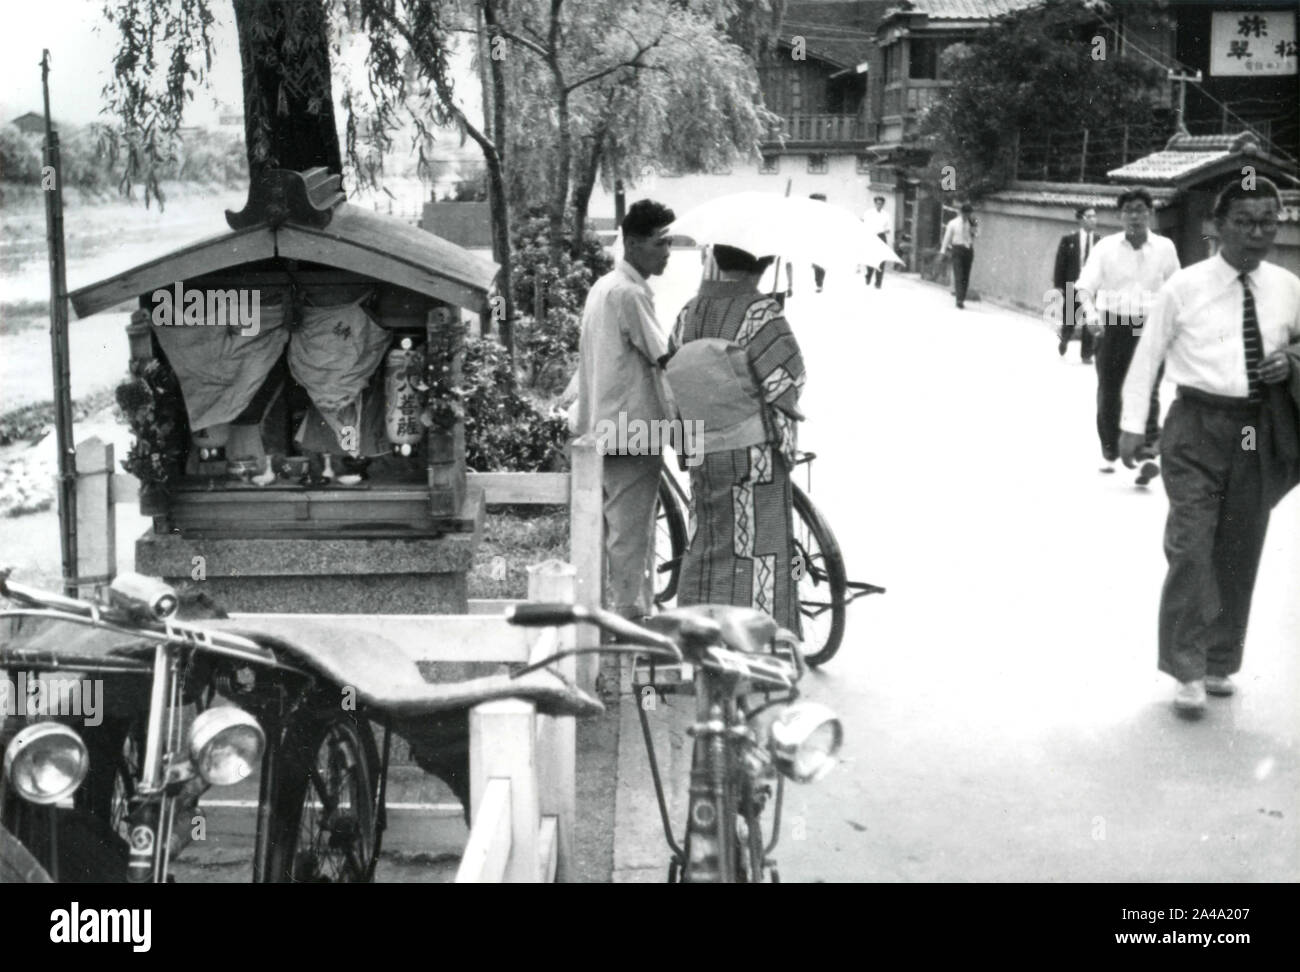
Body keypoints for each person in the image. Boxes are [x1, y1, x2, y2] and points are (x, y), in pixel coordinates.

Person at [1119, 176, 1300, 715]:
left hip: (1252, 428)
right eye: (1243, 222)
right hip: (1195, 424)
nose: (1257, 233)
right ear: (1216, 227)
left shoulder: (1288, 287)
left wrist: (1289, 361)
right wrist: (1133, 423)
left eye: (1268, 221)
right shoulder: (1185, 287)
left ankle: (1221, 659)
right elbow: (1148, 356)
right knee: (1192, 545)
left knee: (1239, 546)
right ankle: (1187, 668)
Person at [665, 245, 806, 633]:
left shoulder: (688, 312)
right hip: (752, 455)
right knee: (757, 548)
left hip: (703, 449)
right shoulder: (761, 313)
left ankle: (697, 639)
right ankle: (757, 647)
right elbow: (787, 380)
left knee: (707, 542)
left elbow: (673, 372)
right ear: (762, 264)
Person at [572, 199, 676, 619]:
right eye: (660, 243)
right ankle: (630, 615)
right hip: (633, 430)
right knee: (631, 531)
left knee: (608, 527)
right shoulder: (631, 294)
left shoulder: (604, 286)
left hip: (602, 423)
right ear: (632, 243)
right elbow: (667, 359)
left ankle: (608, 611)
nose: (667, 252)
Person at [1076, 187, 1179, 482]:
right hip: (1112, 325)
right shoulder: (1106, 247)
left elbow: (1177, 288)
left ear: (1151, 214)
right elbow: (1084, 286)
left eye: (1141, 210)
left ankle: (1146, 454)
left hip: (1148, 326)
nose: (1135, 216)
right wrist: (1092, 317)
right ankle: (1109, 450)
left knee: (1148, 389)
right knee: (1110, 390)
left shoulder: (1165, 248)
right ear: (1120, 215)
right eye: (1129, 210)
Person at [1053, 205, 1099, 363]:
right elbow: (1060, 264)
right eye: (1089, 216)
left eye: (1095, 216)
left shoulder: (1100, 241)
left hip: (1092, 287)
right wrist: (1059, 285)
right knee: (1070, 318)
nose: (1093, 219)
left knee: (1089, 318)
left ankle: (1086, 354)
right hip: (1073, 284)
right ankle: (1065, 339)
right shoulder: (1069, 240)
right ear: (1080, 219)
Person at [939, 203, 978, 308]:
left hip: (968, 250)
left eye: (969, 214)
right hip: (957, 249)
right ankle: (959, 299)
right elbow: (947, 238)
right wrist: (942, 251)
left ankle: (962, 298)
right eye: (965, 214)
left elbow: (976, 235)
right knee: (959, 274)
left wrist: (974, 227)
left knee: (966, 275)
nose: (967, 216)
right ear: (961, 213)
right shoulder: (953, 223)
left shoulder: (973, 222)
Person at [863, 195, 891, 289]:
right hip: (871, 237)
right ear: (875, 203)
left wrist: (886, 230)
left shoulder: (886, 215)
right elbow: (865, 225)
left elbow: (888, 228)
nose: (879, 205)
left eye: (881, 204)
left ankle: (878, 283)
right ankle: (868, 275)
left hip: (881, 236)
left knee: (881, 260)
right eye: (878, 203)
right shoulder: (868, 213)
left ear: (883, 204)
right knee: (871, 259)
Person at [809, 193, 828, 292]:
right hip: (812, 240)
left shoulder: (828, 213)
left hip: (822, 241)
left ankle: (819, 283)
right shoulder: (809, 213)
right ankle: (818, 282)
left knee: (820, 262)